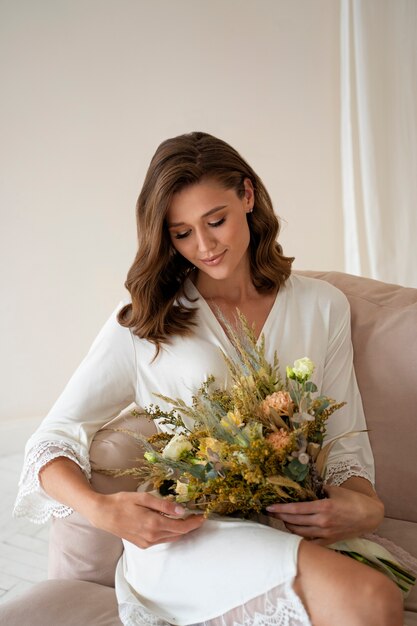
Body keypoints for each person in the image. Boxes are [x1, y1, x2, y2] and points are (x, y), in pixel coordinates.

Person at [14, 132, 403, 625]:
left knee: (371, 597)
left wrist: (365, 508)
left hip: (286, 526)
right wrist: (102, 510)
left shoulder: (321, 306)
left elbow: (347, 444)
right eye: (181, 233)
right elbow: (50, 439)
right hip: (189, 536)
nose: (204, 246)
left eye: (215, 221)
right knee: (370, 599)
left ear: (247, 195)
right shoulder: (147, 321)